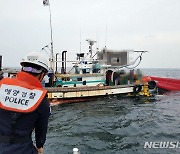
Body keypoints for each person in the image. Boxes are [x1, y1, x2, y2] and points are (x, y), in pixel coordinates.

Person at [0, 52, 50, 154]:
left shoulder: (2, 87)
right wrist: (40, 146)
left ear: (22, 68)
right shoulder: (41, 100)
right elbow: (41, 130)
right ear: (42, 74)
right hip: (22, 149)